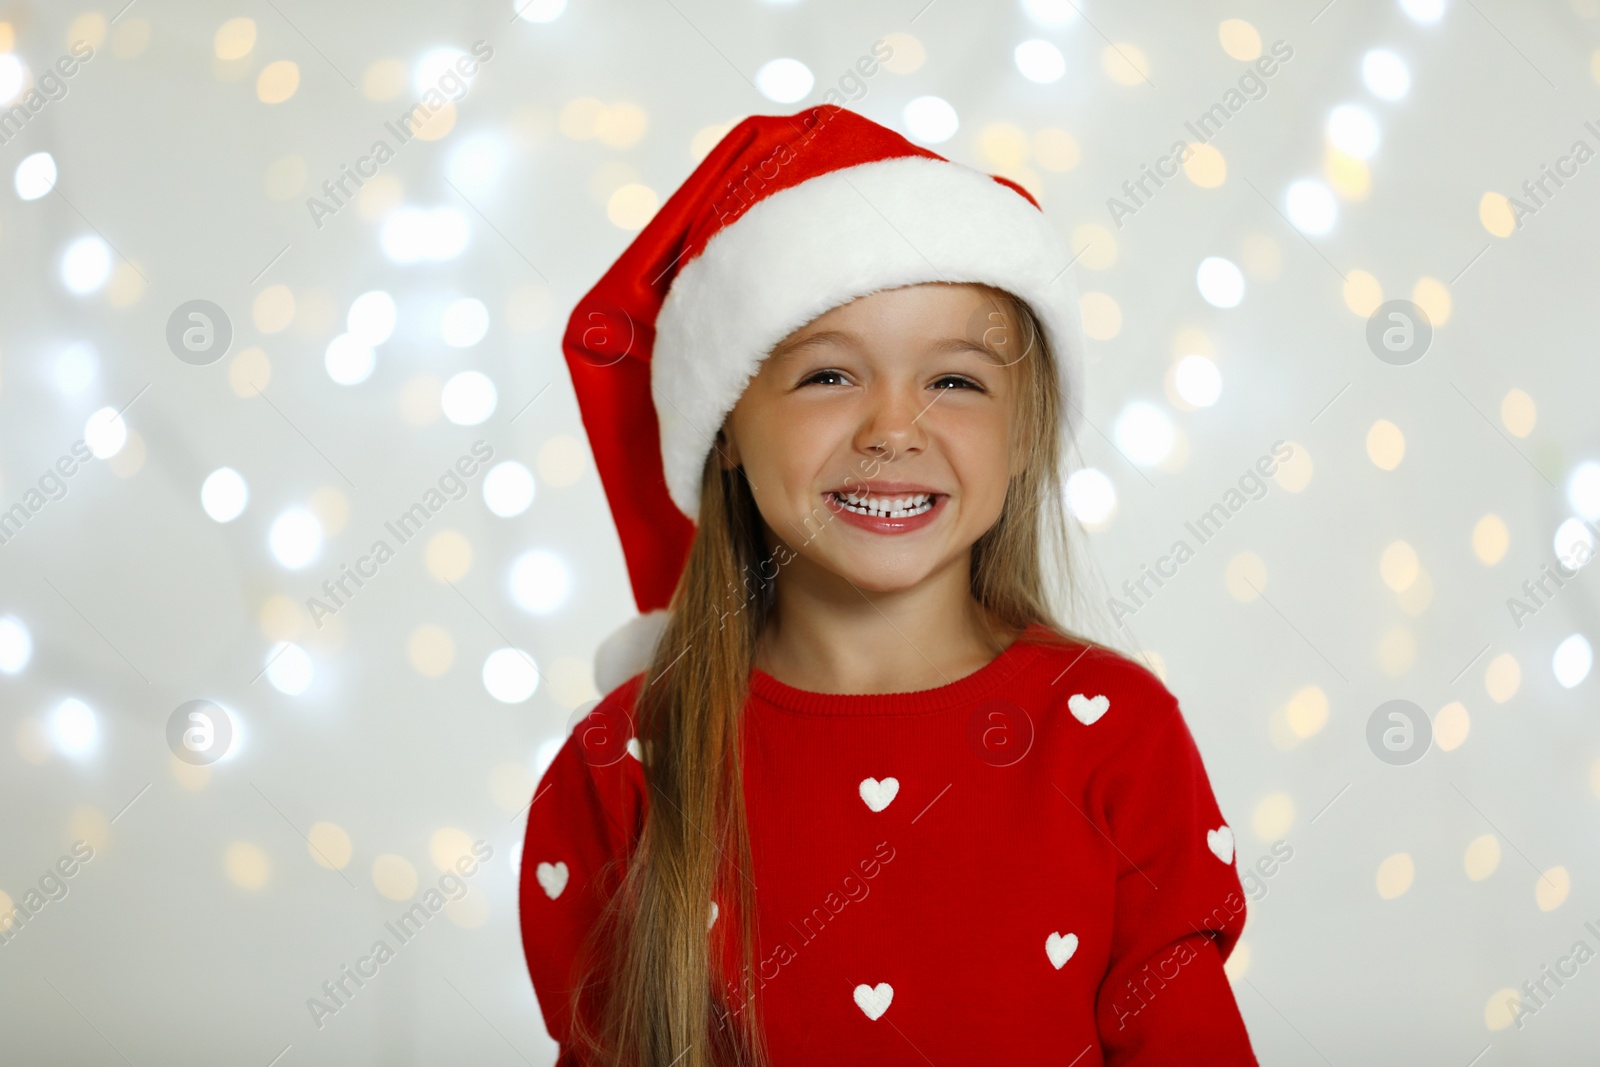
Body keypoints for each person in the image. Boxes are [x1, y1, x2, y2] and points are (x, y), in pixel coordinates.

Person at [518, 104, 1258, 1067]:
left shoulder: (1115, 733)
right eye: (829, 375)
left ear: (1025, 429)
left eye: (956, 381)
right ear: (728, 430)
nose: (893, 429)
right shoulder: (625, 761)